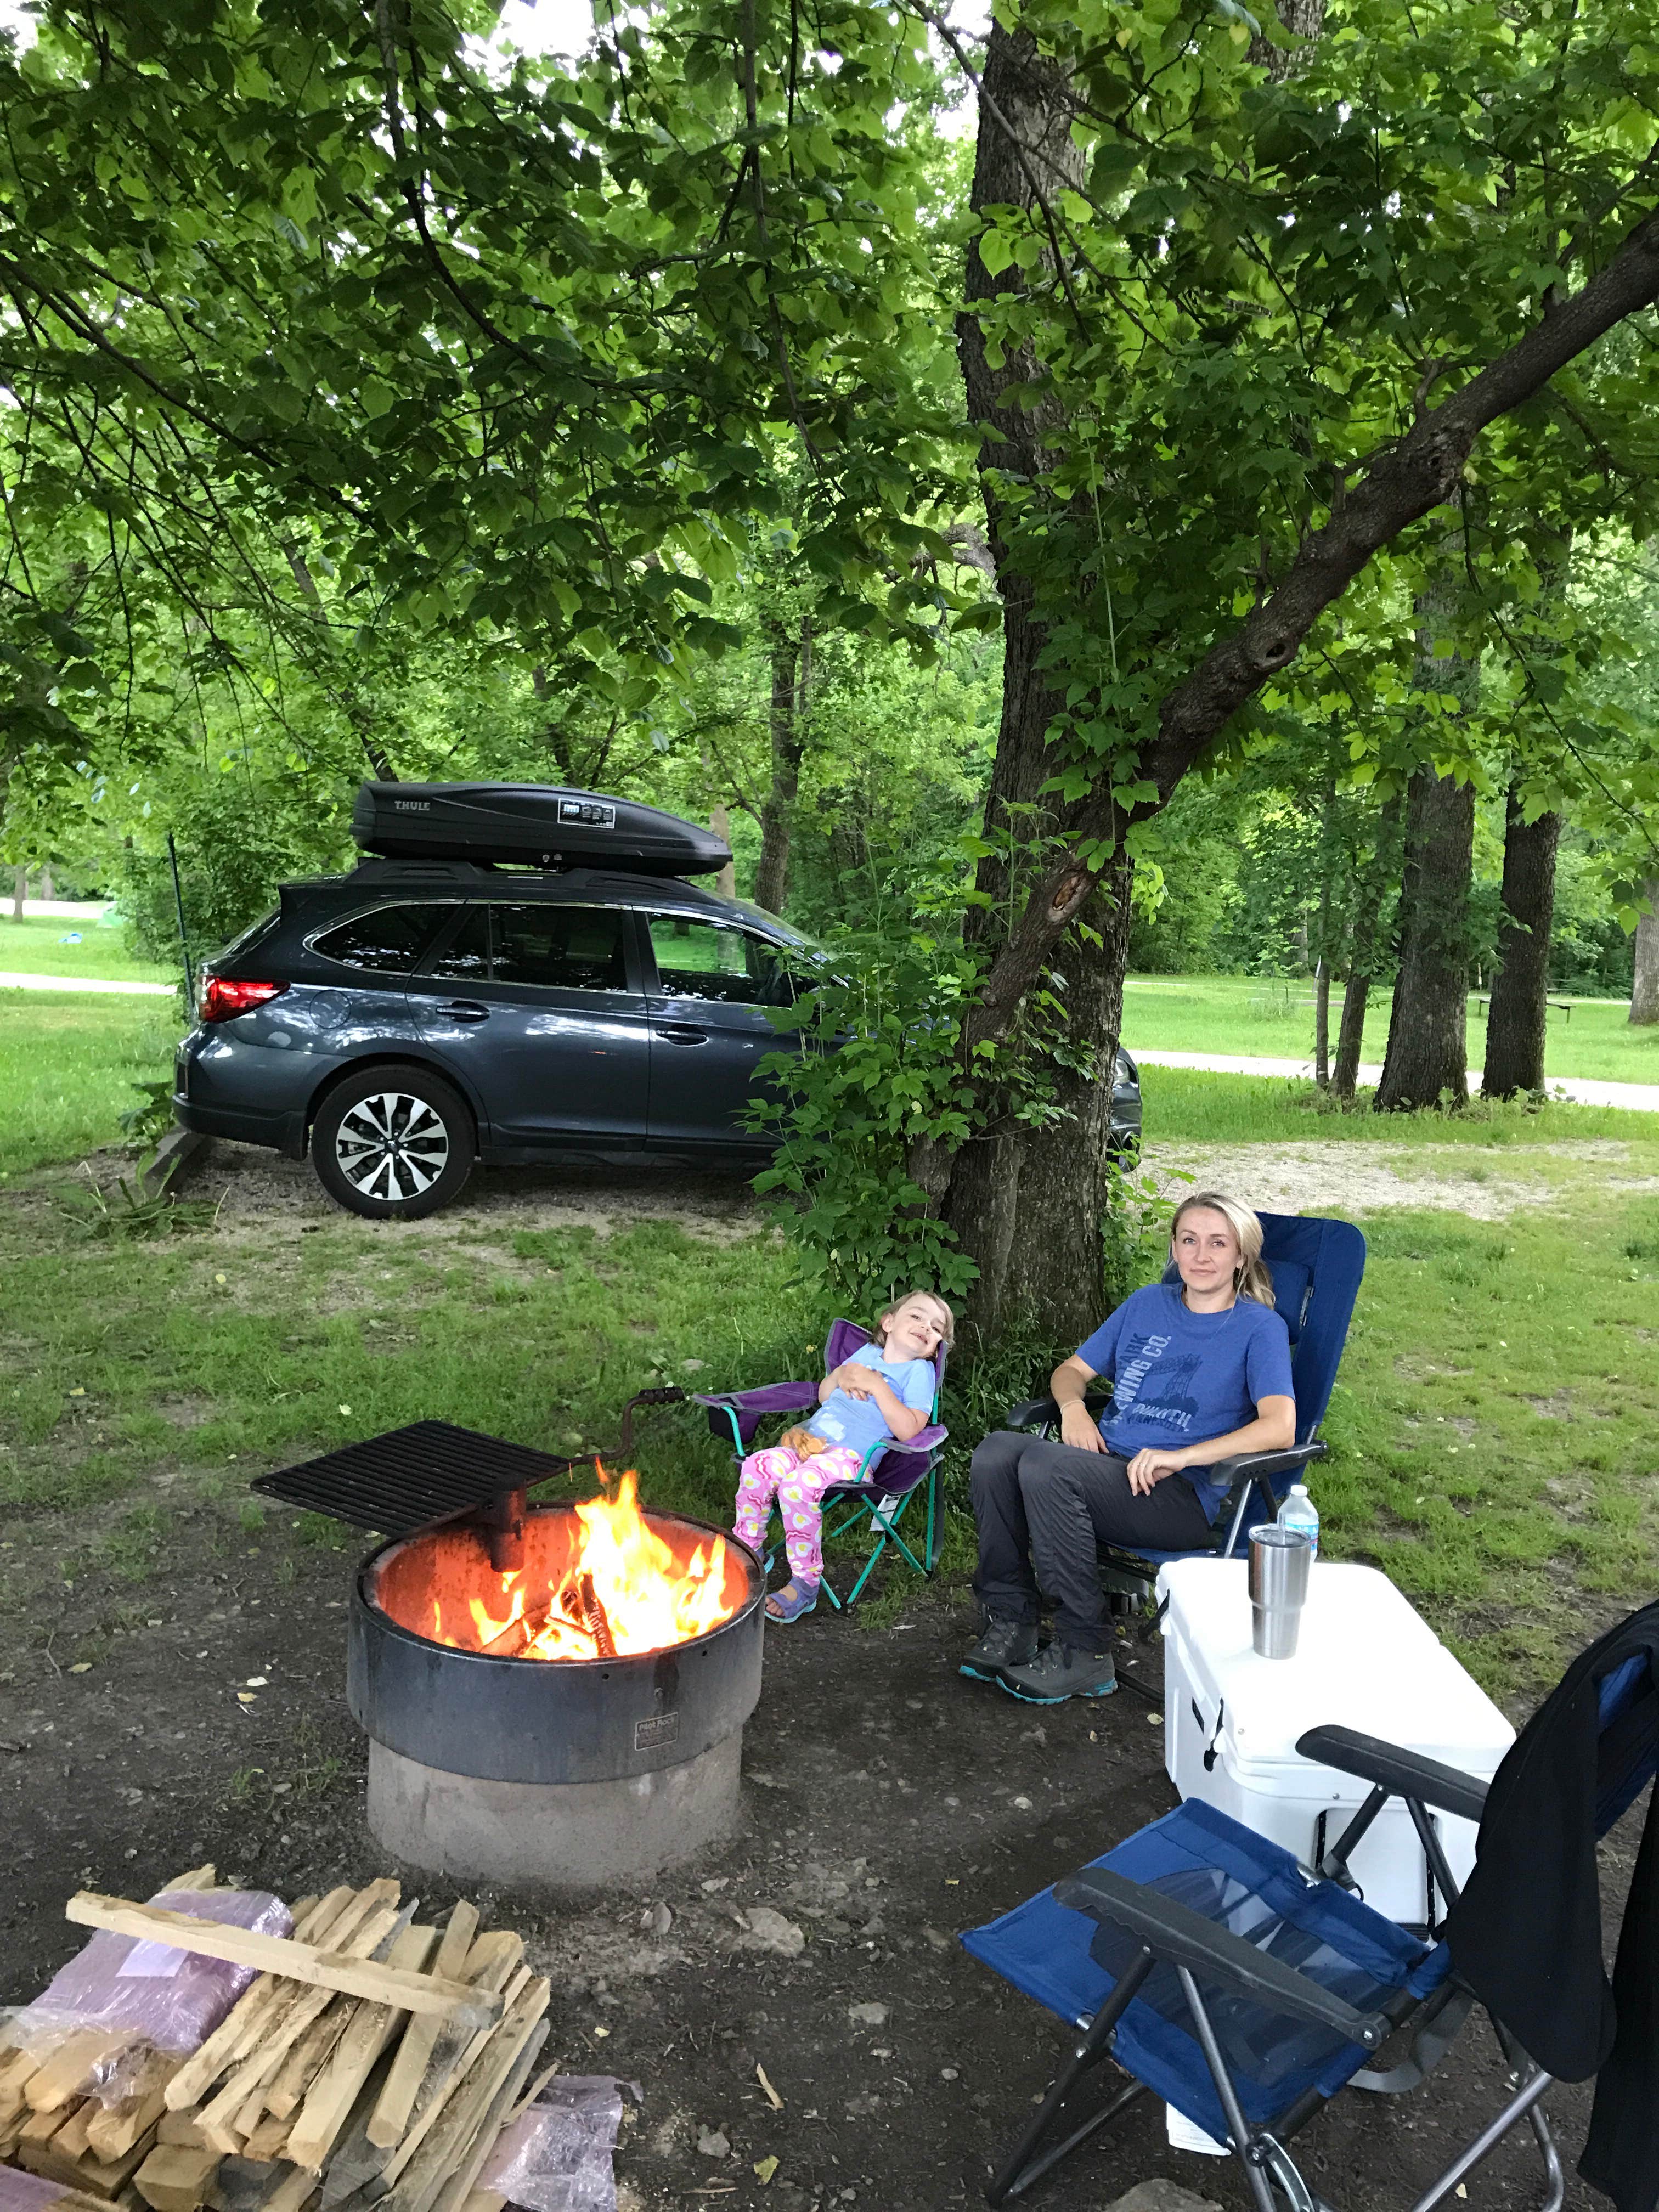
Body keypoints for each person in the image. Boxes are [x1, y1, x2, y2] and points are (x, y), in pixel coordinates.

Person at [961, 1191, 1295, 1703]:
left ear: (1240, 1256)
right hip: (1107, 1470)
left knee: (1047, 1467)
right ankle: (1013, 1619)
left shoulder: (1259, 1328)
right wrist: (1073, 1409)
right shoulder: (1147, 1304)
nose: (1201, 1255)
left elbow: (1280, 1427)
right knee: (996, 1452)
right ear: (1174, 1248)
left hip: (1177, 1493)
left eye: (1217, 1243)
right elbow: (1071, 1371)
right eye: (1189, 1240)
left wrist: (1182, 1456)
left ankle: (1085, 1650)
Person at [732, 1290, 953, 1622]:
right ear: (889, 1322)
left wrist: (877, 1386)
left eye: (937, 1328)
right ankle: (750, 1552)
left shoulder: (919, 1373)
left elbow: (909, 1429)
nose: (926, 1327)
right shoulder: (867, 1352)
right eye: (917, 1316)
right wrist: (840, 1375)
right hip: (812, 1442)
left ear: (936, 1346)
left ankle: (805, 1584)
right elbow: (825, 1397)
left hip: (852, 1458)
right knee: (758, 1466)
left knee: (797, 1486)